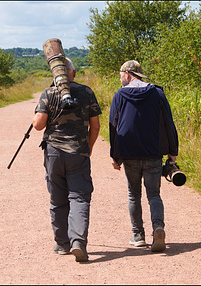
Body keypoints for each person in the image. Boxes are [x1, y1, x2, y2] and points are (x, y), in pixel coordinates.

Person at [33, 57, 101, 262]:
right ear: (72, 73)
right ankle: (78, 242)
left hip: (53, 153)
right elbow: (95, 125)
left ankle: (62, 244)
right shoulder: (86, 92)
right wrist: (88, 148)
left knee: (57, 198)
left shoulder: (49, 93)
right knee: (79, 197)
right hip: (78, 153)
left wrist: (36, 114)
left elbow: (38, 125)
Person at [109, 60, 178, 252]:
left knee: (134, 194)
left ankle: (138, 235)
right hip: (153, 153)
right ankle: (158, 228)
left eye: (121, 74)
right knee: (154, 194)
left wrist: (115, 154)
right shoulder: (157, 93)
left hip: (129, 153)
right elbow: (168, 123)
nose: (120, 78)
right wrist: (173, 151)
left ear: (129, 74)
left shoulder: (120, 95)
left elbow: (113, 126)